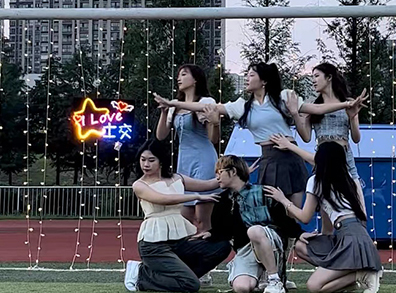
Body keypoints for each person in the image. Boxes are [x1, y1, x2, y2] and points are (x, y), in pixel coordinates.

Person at [154, 62, 367, 209]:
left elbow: (316, 109)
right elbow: (208, 107)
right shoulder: (242, 106)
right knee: (271, 213)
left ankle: (286, 260)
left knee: (292, 214)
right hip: (269, 158)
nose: (246, 78)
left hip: (291, 157)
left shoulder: (283, 97)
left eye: (251, 75)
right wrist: (173, 103)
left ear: (263, 80)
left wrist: (347, 104)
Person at [265, 137, 383, 293]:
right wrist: (324, 236)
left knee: (314, 286)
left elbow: (304, 217)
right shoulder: (350, 179)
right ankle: (350, 277)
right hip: (357, 236)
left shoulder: (316, 181)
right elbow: (360, 217)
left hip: (348, 238)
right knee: (301, 246)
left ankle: (362, 274)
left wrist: (283, 200)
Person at [123, 140, 231, 293]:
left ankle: (184, 277)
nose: (146, 164)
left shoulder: (177, 178)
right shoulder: (139, 185)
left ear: (161, 161)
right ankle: (141, 275)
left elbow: (209, 184)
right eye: (143, 160)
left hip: (179, 241)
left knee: (222, 247)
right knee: (191, 285)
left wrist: (239, 173)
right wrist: (196, 197)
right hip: (154, 245)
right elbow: (163, 199)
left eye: (151, 160)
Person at [193, 155, 303, 293]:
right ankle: (261, 275)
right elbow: (223, 230)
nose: (217, 177)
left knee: (254, 231)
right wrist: (211, 233)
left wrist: (300, 234)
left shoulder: (263, 192)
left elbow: (283, 220)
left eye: (220, 172)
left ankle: (274, 279)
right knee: (241, 288)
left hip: (269, 241)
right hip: (245, 248)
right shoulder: (222, 200)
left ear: (233, 171)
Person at [292, 62, 367, 232]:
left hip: (345, 159)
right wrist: (296, 115)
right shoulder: (313, 106)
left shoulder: (349, 103)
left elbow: (356, 138)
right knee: (327, 220)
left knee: (359, 212)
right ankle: (328, 245)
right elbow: (306, 136)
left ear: (329, 77)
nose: (313, 80)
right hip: (324, 160)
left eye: (317, 76)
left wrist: (353, 117)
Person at [156, 64, 219, 234]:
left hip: (204, 160)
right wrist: (164, 112)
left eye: (184, 74)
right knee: (184, 218)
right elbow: (161, 135)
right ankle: (188, 249)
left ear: (195, 79)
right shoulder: (174, 106)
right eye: (178, 75)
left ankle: (205, 248)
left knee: (202, 217)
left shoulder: (205, 102)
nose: (179, 78)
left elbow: (213, 139)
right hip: (184, 161)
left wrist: (215, 123)